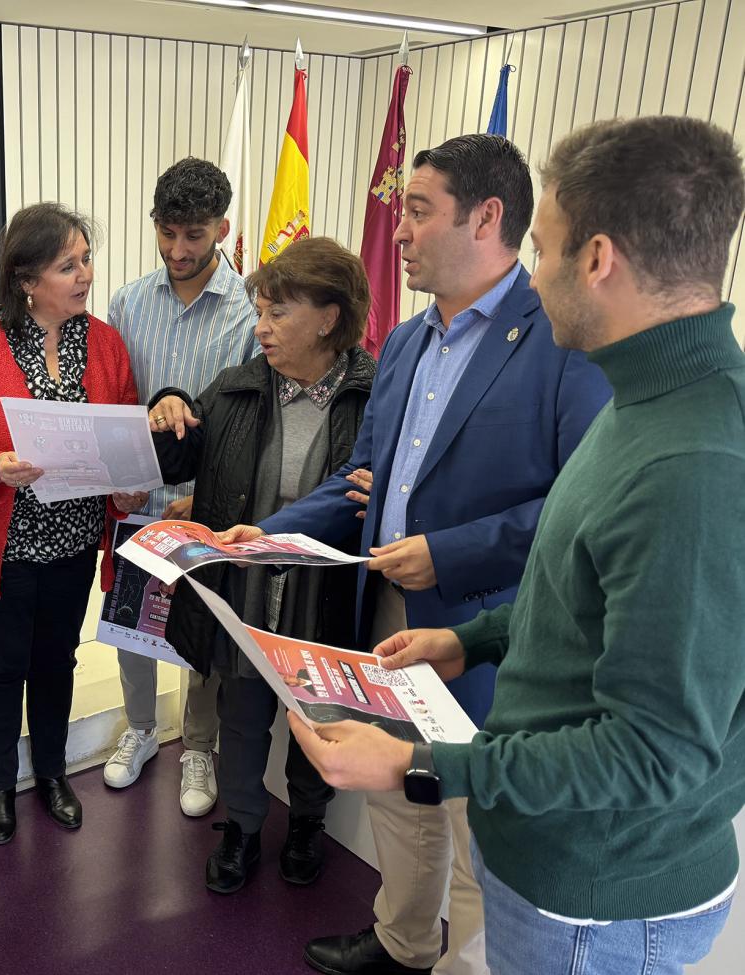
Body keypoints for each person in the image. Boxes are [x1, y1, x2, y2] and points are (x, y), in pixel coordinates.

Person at [289, 114, 745, 975]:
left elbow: (652, 754)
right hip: (557, 860)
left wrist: (421, 762)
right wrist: (473, 638)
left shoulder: (696, 457)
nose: (532, 276)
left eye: (544, 247)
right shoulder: (649, 399)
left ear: (599, 259)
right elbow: (580, 580)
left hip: (595, 895)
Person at [220, 135, 611, 975]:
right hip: (387, 615)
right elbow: (366, 478)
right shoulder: (402, 344)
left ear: (488, 217)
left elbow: (584, 506)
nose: (397, 231)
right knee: (402, 801)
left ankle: (465, 963)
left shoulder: (561, 337)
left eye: (418, 211)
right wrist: (279, 530)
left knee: (477, 823)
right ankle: (402, 938)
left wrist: (452, 551)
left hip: (490, 630)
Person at [148, 236, 375, 894]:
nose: (261, 327)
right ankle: (243, 826)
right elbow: (178, 460)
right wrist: (165, 409)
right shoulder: (239, 386)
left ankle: (306, 821)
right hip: (244, 586)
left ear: (328, 318)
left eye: (278, 313)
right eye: (261, 311)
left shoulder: (373, 395)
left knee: (318, 719)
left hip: (326, 591)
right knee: (242, 713)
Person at [0, 203, 140, 846]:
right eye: (66, 265)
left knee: (57, 662)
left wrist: (127, 481)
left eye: (85, 260)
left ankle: (50, 773)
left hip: (74, 541)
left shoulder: (104, 342)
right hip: (3, 544)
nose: (84, 275)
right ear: (25, 280)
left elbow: (122, 432)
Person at [101, 156, 260, 817]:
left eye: (193, 235)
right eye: (166, 233)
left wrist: (218, 493)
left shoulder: (252, 310)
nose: (177, 250)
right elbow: (115, 396)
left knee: (200, 633)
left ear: (221, 227)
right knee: (130, 627)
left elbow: (255, 418)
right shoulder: (129, 301)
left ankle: (198, 741)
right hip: (137, 500)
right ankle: (139, 726)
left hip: (211, 505)